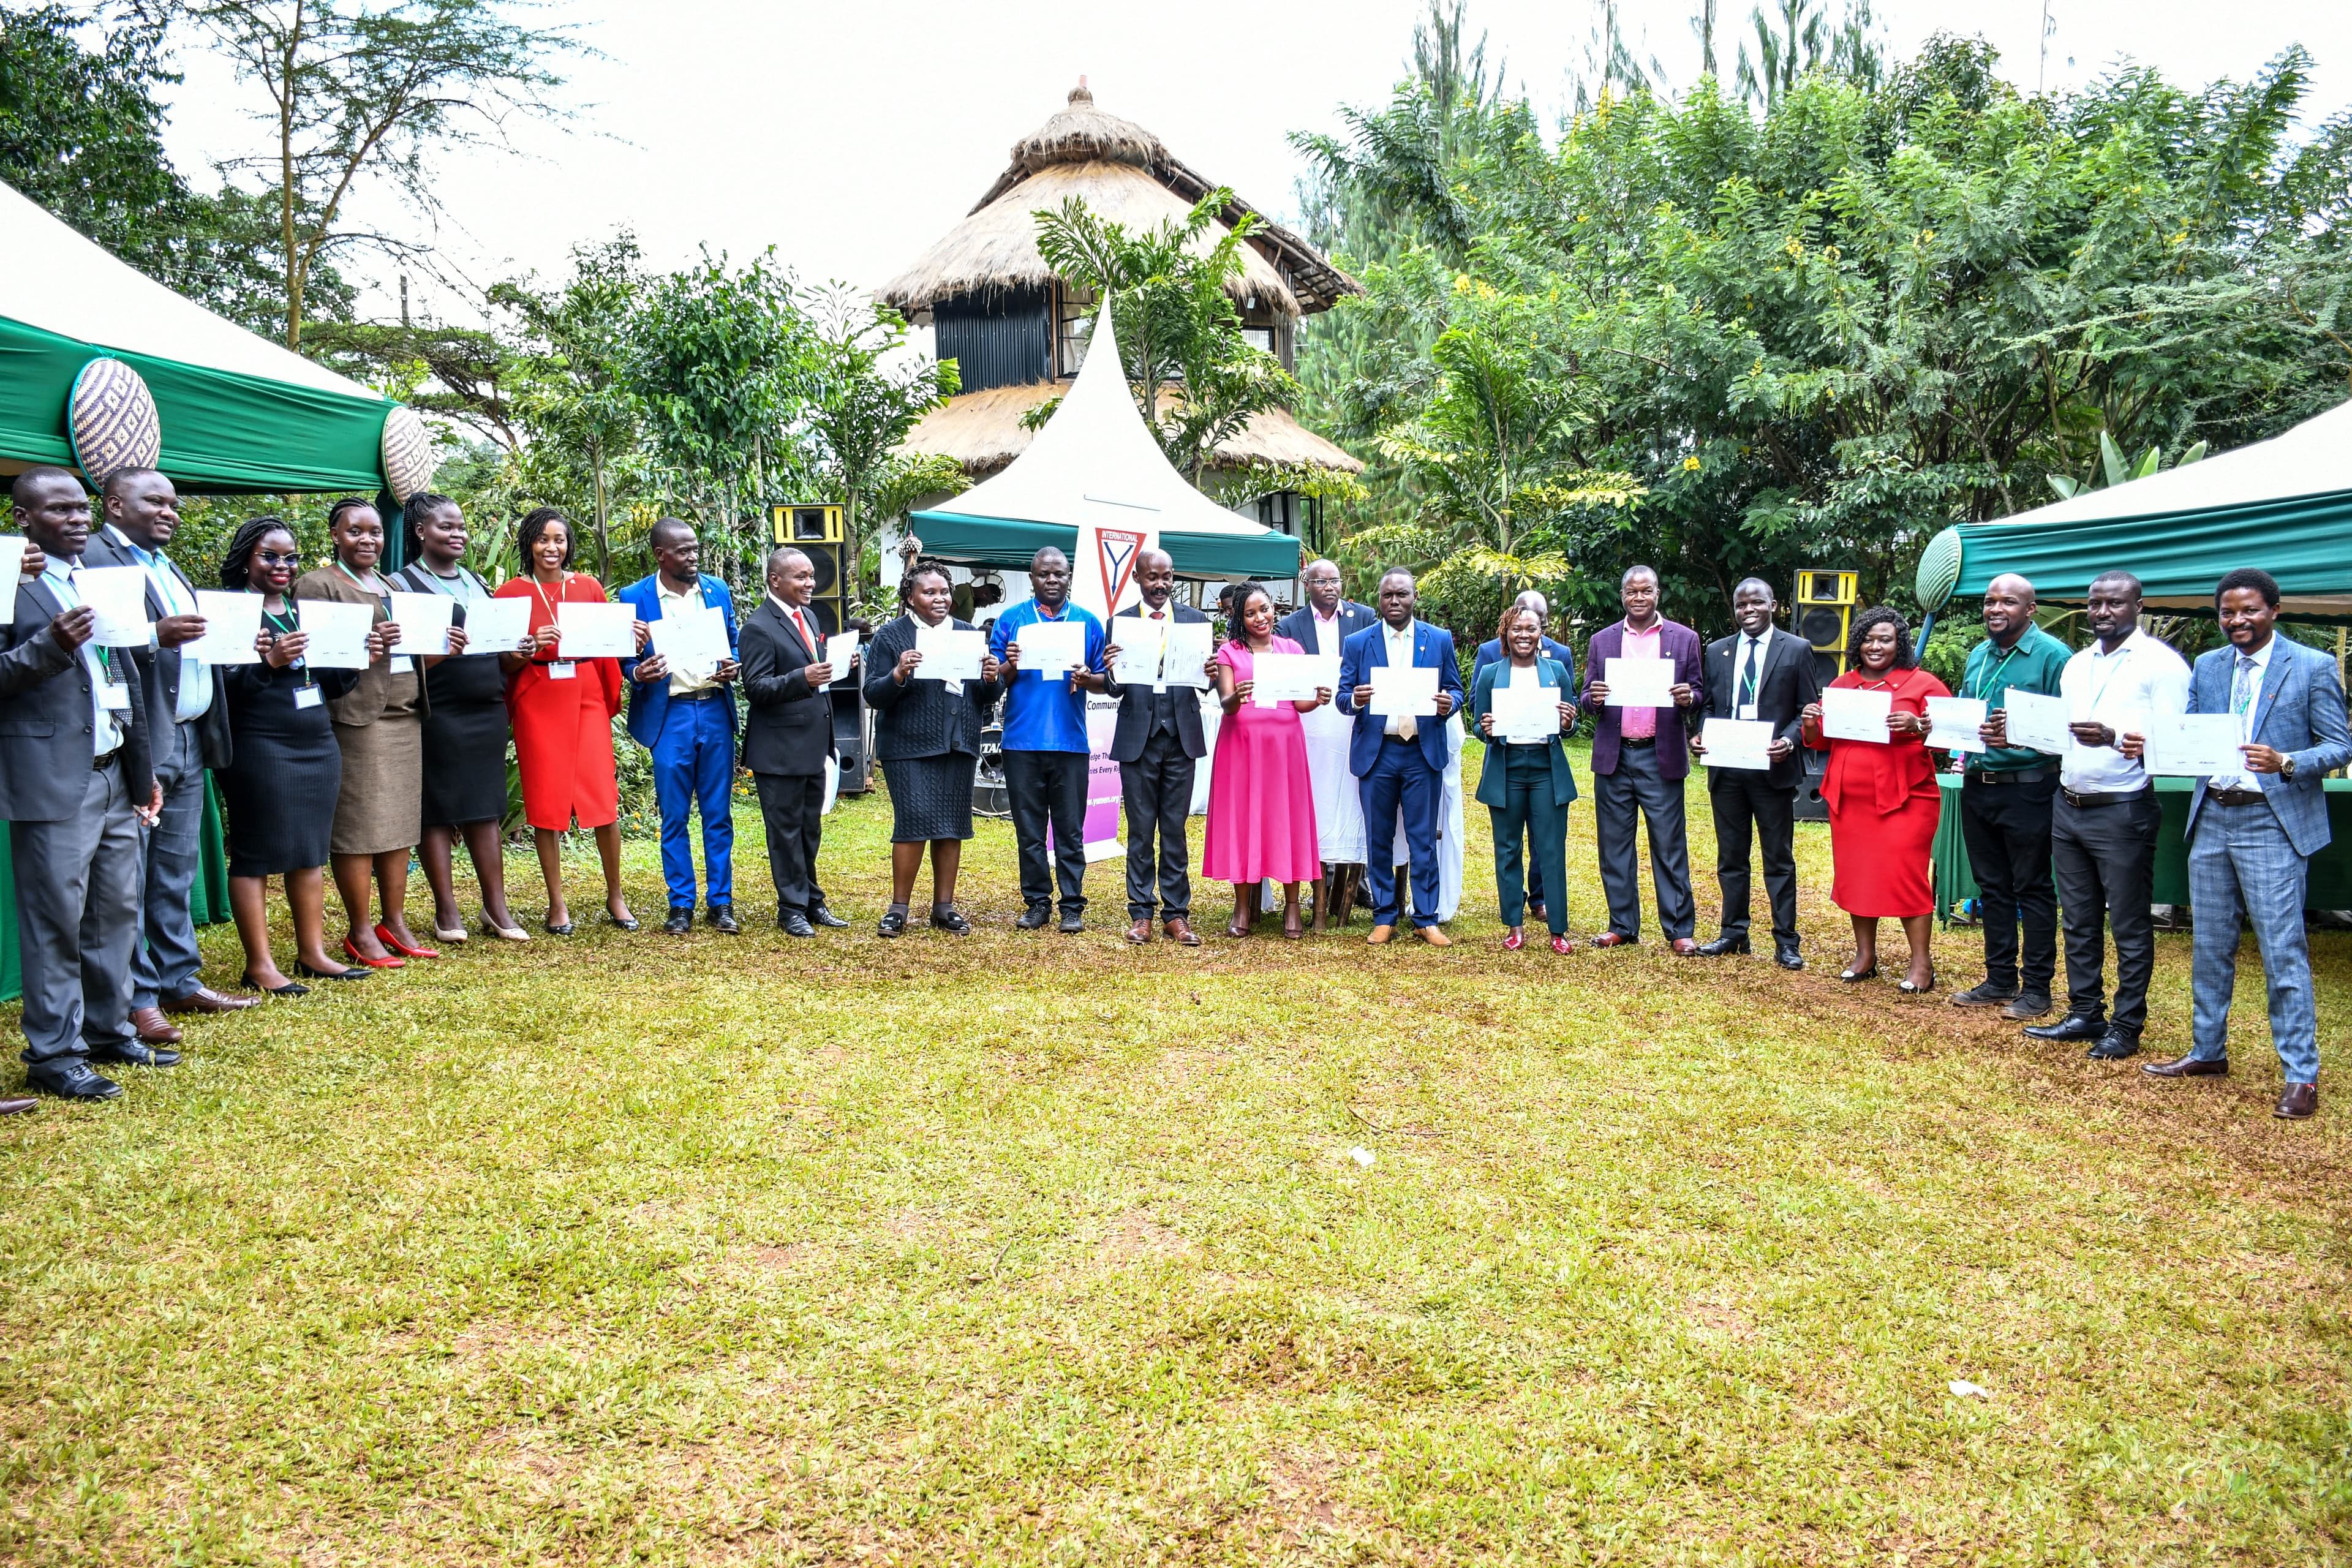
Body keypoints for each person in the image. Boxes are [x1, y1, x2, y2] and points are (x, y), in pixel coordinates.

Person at [2128, 568, 2352, 1119]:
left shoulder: (2313, 666)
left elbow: (2339, 745)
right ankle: (2208, 1052)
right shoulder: (2208, 666)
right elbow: (2189, 733)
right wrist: (2149, 744)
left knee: (2282, 951)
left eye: (2249, 610)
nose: (2237, 621)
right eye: (2228, 612)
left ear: (2274, 610)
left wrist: (2288, 761)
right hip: (2213, 817)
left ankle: (2301, 1075)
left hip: (2271, 823)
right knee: (2209, 944)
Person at [1, 467, 161, 1100]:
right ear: (23, 519)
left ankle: (108, 1027)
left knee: (116, 911)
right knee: (55, 921)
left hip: (114, 772)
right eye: (58, 509)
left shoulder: (97, 580)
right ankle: (54, 1052)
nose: (76, 519)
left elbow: (125, 679)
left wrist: (142, 770)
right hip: (50, 779)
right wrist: (49, 646)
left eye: (81, 508)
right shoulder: (10, 581)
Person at [84, 467, 257, 1043]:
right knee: (128, 877)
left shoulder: (164, 564)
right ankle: (139, 999)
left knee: (175, 870)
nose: (169, 512)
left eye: (174, 504)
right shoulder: (96, 557)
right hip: (144, 739)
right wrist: (157, 633)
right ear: (113, 504)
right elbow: (96, 645)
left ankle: (180, 979)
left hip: (189, 735)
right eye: (154, 501)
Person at [2019, 571, 2189, 1061]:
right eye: (2095, 604)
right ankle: (2084, 1012)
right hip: (2069, 802)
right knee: (2077, 918)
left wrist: (2115, 737)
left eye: (2114, 604)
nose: (2102, 612)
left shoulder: (2163, 665)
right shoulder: (2076, 665)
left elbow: (2177, 746)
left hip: (2123, 808)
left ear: (2138, 605)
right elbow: (2059, 734)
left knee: (2130, 925)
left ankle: (2126, 1025)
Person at [216, 518, 368, 994]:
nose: (283, 566)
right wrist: (270, 663)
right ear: (246, 558)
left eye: (291, 558)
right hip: (259, 743)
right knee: (255, 852)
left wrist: (359, 654)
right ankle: (259, 965)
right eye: (270, 556)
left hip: (315, 739)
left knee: (310, 848)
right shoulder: (232, 611)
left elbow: (332, 682)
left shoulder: (305, 611)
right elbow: (223, 689)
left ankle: (313, 954)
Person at [293, 498, 436, 969]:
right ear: (335, 535)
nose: (368, 540)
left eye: (374, 532)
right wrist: (365, 648)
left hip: (405, 714)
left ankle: (392, 921)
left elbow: (411, 652)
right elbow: (314, 658)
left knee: (399, 825)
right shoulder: (318, 585)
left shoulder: (393, 583)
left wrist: (441, 648)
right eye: (356, 531)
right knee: (359, 828)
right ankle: (359, 928)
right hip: (359, 719)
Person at [496, 507, 643, 935]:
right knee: (546, 802)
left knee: (602, 797)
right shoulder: (509, 593)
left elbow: (608, 646)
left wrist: (629, 636)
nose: (551, 547)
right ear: (529, 544)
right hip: (538, 696)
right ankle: (557, 904)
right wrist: (527, 647)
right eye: (542, 539)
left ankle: (616, 895)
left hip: (585, 693)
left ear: (568, 545)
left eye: (559, 539)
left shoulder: (589, 587)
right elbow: (502, 662)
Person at [391, 493, 526, 943]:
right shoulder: (401, 585)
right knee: (438, 810)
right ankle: (446, 911)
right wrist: (440, 651)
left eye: (462, 527)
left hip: (487, 709)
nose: (458, 534)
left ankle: (496, 907)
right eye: (446, 526)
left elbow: (499, 658)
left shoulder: (477, 583)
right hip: (438, 711)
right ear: (420, 531)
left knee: (485, 809)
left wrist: (518, 653)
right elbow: (399, 661)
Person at [1800, 606, 1950, 992]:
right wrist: (1812, 722)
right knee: (1858, 874)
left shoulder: (1922, 685)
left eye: (1885, 639)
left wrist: (1919, 727)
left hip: (1907, 799)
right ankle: (1865, 955)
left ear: (1900, 644)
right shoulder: (1843, 684)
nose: (1876, 646)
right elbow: (1823, 741)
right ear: (1857, 643)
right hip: (1851, 800)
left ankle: (1921, 964)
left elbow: (1951, 739)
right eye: (1868, 638)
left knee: (1906, 876)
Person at [862, 561, 1005, 936]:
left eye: (943, 592)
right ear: (911, 597)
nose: (939, 598)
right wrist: (897, 675)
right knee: (912, 823)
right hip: (909, 746)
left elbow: (985, 695)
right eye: (929, 592)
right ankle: (899, 908)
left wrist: (992, 678)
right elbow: (872, 694)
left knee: (952, 826)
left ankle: (944, 906)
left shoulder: (969, 634)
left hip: (958, 741)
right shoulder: (891, 637)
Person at [1952, 573, 2070, 1019]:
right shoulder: (1979, 655)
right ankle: (1999, 980)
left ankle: (2037, 989)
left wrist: (2018, 740)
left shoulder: (2054, 657)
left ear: (2030, 609)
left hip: (2030, 788)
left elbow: (2066, 731)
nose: (1996, 610)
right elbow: (1968, 711)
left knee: (2033, 889)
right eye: (1989, 602)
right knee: (1992, 888)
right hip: (1978, 786)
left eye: (2008, 602)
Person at [617, 518, 743, 935]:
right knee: (674, 815)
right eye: (685, 551)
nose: (694, 557)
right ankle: (681, 904)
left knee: (717, 814)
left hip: (713, 708)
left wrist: (732, 666)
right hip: (669, 715)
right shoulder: (634, 597)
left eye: (695, 549)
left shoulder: (716, 590)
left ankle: (720, 903)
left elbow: (733, 639)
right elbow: (622, 658)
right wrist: (639, 673)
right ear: (661, 555)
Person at [1688, 576, 1820, 969]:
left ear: (1773, 605)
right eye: (1741, 605)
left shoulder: (1797, 649)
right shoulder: (1718, 651)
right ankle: (1733, 933)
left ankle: (1786, 941)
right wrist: (1700, 733)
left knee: (1778, 857)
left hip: (1773, 770)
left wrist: (1790, 742)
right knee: (1731, 856)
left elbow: (1806, 710)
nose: (1748, 611)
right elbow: (1708, 706)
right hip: (1728, 771)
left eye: (1756, 603)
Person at [1336, 568, 1464, 946]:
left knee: (1423, 839)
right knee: (1379, 838)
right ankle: (1385, 915)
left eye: (1402, 595)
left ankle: (1426, 918)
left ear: (1414, 598)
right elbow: (1343, 698)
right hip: (1378, 753)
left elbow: (1456, 690)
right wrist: (1355, 700)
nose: (1395, 601)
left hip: (1422, 752)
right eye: (1388, 595)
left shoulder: (1438, 640)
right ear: (1379, 599)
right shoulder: (1360, 642)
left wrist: (1448, 704)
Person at [1581, 564, 1704, 952]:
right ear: (1622, 596)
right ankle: (1622, 924)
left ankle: (1679, 929)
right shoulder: (1603, 641)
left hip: (1660, 754)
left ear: (1657, 594)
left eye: (1646, 591)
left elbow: (1700, 694)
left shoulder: (1684, 639)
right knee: (1615, 845)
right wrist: (1594, 698)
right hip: (1615, 758)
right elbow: (1585, 697)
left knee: (1669, 844)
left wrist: (1689, 698)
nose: (1639, 597)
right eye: (1631, 592)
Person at [988, 546, 1106, 932]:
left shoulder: (1088, 622)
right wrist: (1010, 663)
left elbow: (1106, 682)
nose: (1051, 580)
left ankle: (1072, 905)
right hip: (1022, 741)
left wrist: (1086, 677)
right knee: (1030, 830)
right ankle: (1037, 902)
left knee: (1071, 830)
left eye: (1059, 574)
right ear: (1032, 577)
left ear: (1069, 577)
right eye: (1043, 574)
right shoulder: (1011, 620)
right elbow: (991, 679)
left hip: (1070, 741)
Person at [1202, 581, 1327, 938]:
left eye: (1266, 609)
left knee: (1286, 819)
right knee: (1242, 819)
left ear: (1275, 610)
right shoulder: (1230, 652)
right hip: (1241, 747)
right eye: (1251, 613)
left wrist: (1317, 699)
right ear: (1240, 618)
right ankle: (1242, 907)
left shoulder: (1292, 650)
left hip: (1284, 748)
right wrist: (1237, 697)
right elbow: (1226, 704)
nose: (1261, 618)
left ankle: (1292, 907)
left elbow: (1299, 704)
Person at [1101, 547, 1212, 945]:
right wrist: (1110, 668)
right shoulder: (1121, 623)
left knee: (1175, 829)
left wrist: (1212, 672)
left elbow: (1207, 682)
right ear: (1137, 578)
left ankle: (1176, 914)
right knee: (1140, 830)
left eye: (1167, 577)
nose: (1160, 584)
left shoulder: (1196, 622)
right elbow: (1112, 688)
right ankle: (1141, 913)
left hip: (1181, 735)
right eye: (1152, 577)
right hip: (1138, 738)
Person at [739, 546, 847, 937]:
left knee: (809, 828)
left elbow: (815, 675)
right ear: (775, 581)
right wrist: (805, 677)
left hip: (814, 742)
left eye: (811, 576)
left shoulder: (811, 616)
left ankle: (813, 900)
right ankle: (791, 908)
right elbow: (756, 687)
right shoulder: (758, 626)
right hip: (779, 749)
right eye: (801, 577)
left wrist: (834, 667)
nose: (811, 583)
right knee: (784, 831)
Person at [1469, 604, 1578, 952]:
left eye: (1531, 629)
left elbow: (1571, 723)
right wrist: (1485, 729)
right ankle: (1514, 925)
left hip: (1546, 767)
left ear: (1540, 633)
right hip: (1507, 767)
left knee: (1550, 848)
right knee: (1507, 847)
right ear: (1506, 633)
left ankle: (1558, 930)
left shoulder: (1556, 671)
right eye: (1517, 629)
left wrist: (1567, 723)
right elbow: (1477, 723)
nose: (1524, 635)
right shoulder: (1490, 673)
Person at [1277, 558, 1376, 930]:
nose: (1330, 587)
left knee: (1350, 797)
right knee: (1315, 797)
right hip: (1310, 727)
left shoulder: (1365, 618)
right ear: (1307, 585)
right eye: (1321, 581)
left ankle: (1357, 878)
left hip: (1354, 722)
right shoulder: (1289, 626)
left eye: (1335, 580)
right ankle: (1319, 873)